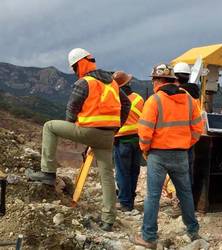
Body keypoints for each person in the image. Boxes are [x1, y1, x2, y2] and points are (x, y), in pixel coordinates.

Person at [26, 48, 131, 232]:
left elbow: (71, 109)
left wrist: (72, 128)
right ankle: (108, 220)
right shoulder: (112, 84)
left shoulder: (84, 82)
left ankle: (48, 173)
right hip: (107, 136)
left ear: (80, 64)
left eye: (75, 68)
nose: (75, 72)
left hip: (88, 131)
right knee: (106, 176)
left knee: (49, 126)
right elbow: (126, 104)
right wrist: (116, 127)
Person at [133, 64, 203, 248]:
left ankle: (149, 237)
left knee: (153, 196)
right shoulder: (189, 100)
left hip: (158, 154)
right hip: (181, 154)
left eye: (153, 79)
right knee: (185, 193)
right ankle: (193, 231)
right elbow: (198, 128)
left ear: (157, 80)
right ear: (173, 80)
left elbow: (145, 132)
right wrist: (185, 144)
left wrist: (145, 149)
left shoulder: (154, 101)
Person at [112, 71, 144, 212]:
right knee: (133, 171)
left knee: (122, 172)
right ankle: (130, 199)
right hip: (138, 140)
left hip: (122, 140)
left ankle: (125, 202)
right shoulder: (139, 98)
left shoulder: (115, 100)